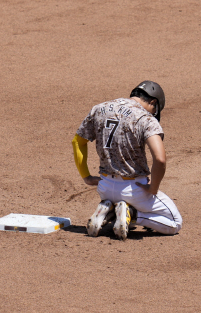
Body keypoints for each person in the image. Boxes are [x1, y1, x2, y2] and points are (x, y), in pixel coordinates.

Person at [72, 81, 182, 240]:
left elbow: (78, 142)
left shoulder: (99, 109)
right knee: (174, 221)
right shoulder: (146, 118)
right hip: (134, 189)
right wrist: (153, 188)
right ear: (153, 102)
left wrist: (87, 177)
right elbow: (160, 159)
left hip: (105, 187)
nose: (153, 113)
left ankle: (110, 210)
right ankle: (133, 213)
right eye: (155, 110)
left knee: (124, 216)